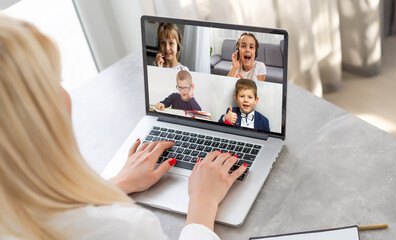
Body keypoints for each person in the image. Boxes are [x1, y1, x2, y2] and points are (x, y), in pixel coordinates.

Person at [0, 15, 247, 239]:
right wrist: (203, 205)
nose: (65, 94)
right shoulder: (125, 228)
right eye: (55, 81)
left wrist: (118, 183)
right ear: (34, 114)